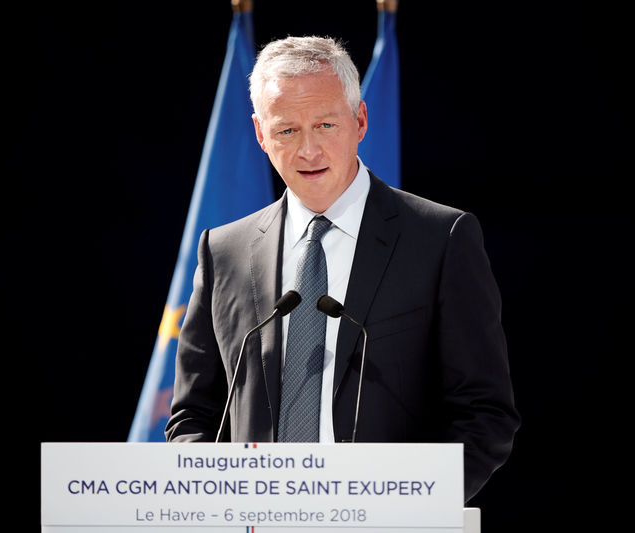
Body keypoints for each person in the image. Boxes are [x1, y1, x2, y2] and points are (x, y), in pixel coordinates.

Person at [165, 36, 519, 502]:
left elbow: (484, 412)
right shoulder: (223, 250)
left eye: (326, 125)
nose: (308, 150)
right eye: (287, 130)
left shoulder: (440, 239)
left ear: (360, 120)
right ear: (259, 133)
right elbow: (193, 416)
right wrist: (221, 501)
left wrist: (414, 506)